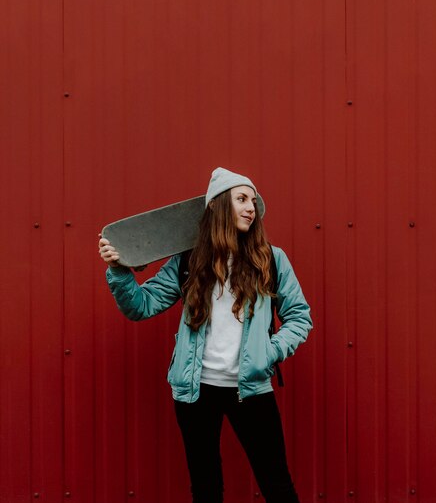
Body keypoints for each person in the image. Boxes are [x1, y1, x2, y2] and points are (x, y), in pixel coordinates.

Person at [98, 167, 312, 503]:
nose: (251, 208)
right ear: (216, 206)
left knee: (277, 485)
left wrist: (268, 352)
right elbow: (142, 306)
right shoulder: (188, 261)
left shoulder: (271, 259)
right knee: (206, 488)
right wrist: (120, 272)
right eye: (241, 199)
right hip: (195, 391)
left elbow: (299, 317)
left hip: (251, 389)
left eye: (253, 201)